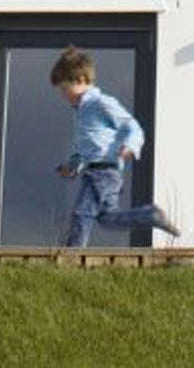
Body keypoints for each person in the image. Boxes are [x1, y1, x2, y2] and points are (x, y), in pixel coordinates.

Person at [51, 46, 179, 247]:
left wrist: (130, 145)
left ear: (82, 80)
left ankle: (72, 256)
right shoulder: (79, 112)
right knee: (108, 219)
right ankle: (149, 215)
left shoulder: (100, 103)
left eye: (66, 89)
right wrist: (72, 165)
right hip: (97, 170)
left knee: (82, 213)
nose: (64, 95)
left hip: (103, 171)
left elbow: (132, 126)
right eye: (61, 91)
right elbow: (85, 150)